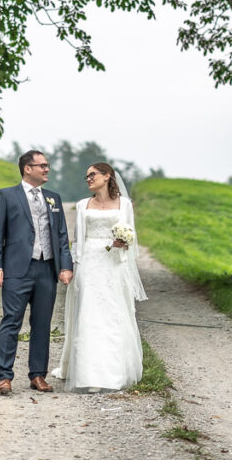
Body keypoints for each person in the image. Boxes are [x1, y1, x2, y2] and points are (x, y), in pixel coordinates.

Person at [52, 161, 147, 392]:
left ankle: (113, 372)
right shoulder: (82, 205)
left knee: (112, 315)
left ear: (107, 176)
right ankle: (88, 374)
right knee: (89, 314)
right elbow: (78, 240)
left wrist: (124, 242)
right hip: (89, 264)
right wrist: (73, 267)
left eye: (92, 174)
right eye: (87, 176)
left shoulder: (124, 204)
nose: (89, 179)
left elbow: (131, 236)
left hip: (114, 265)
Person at [0, 149, 73, 395]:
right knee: (11, 321)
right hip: (17, 269)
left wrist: (65, 266)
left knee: (42, 324)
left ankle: (37, 375)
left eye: (47, 165)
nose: (47, 169)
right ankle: (4, 376)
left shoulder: (54, 198)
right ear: (27, 168)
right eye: (42, 165)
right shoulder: (7, 195)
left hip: (46, 269)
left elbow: (62, 236)